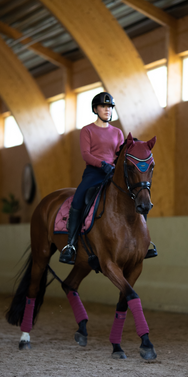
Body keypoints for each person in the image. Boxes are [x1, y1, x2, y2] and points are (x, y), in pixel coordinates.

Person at [59, 92, 124, 264]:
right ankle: (71, 245)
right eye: (103, 106)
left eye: (110, 107)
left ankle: (142, 241)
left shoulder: (118, 133)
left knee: (134, 196)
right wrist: (103, 164)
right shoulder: (87, 130)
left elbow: (119, 155)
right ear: (95, 109)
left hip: (113, 174)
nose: (107, 110)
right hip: (94, 173)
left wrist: (116, 166)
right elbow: (86, 155)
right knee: (78, 198)